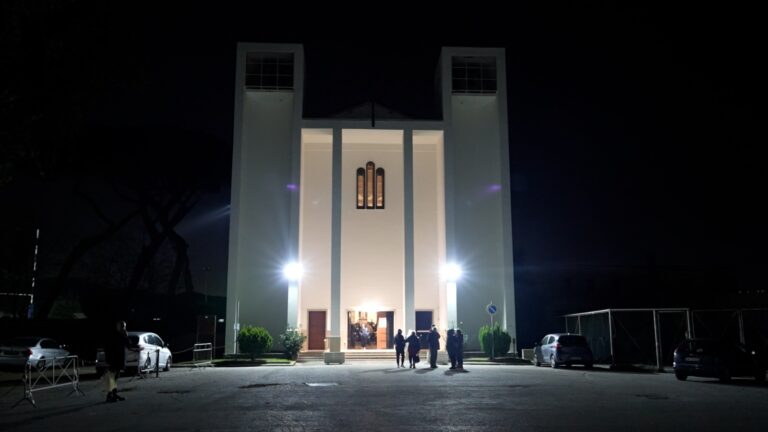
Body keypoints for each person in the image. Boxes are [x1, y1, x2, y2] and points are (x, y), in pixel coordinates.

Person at [104, 320, 133, 402]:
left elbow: (128, 345)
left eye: (125, 326)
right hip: (113, 360)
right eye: (123, 326)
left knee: (115, 378)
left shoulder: (121, 335)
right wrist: (108, 360)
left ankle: (112, 395)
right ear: (118, 327)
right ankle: (111, 395)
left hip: (118, 359)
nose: (124, 328)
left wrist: (126, 336)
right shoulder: (115, 335)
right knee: (112, 378)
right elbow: (108, 347)